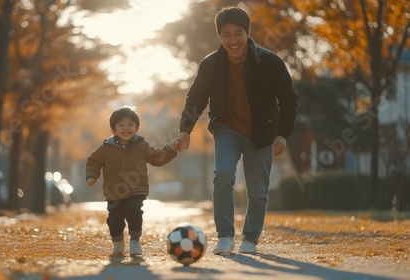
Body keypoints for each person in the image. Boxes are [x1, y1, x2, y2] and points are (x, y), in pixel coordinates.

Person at [175, 6, 298, 255]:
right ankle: (225, 236)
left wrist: (282, 133)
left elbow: (289, 99)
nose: (233, 40)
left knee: (258, 191)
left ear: (248, 32)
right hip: (227, 129)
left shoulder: (269, 62)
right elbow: (196, 98)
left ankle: (250, 239)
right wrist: (185, 129)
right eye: (226, 35)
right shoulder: (210, 64)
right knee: (223, 176)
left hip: (261, 133)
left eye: (238, 33)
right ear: (219, 36)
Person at [86, 106, 179, 256]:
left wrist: (171, 149)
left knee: (134, 210)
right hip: (113, 192)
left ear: (137, 127)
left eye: (130, 125)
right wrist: (92, 176)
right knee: (114, 219)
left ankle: (135, 241)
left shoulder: (142, 146)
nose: (126, 128)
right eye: (121, 125)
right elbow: (93, 161)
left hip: (136, 189)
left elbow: (157, 158)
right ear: (113, 129)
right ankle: (118, 243)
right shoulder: (106, 148)